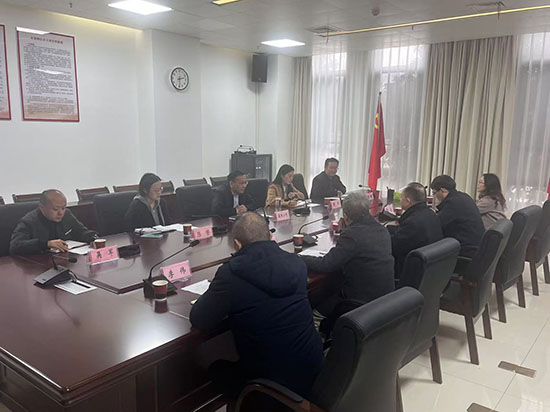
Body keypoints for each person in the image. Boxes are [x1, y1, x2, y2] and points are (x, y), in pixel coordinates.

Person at [190, 212, 323, 400]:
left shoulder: (231, 274)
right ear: (270, 236)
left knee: (215, 368)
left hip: (268, 381)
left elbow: (199, 318)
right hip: (313, 367)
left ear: (237, 244)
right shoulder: (296, 263)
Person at [300, 191, 394, 318]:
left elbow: (327, 264)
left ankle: (318, 328)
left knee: (315, 309)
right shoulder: (381, 229)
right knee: (325, 289)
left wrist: (300, 258)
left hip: (360, 302)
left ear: (345, 215)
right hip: (384, 298)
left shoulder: (352, 235)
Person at [10, 189, 97, 255]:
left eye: (63, 208)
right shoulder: (29, 221)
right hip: (39, 264)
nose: (61, 213)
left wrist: (93, 238)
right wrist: (47, 244)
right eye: (55, 209)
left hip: (65, 259)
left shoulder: (66, 214)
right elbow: (15, 246)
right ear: (42, 208)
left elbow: (81, 231)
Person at [390, 182, 443, 287]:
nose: (400, 201)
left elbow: (393, 247)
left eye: (401, 198)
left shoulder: (413, 223)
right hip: (430, 271)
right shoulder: (430, 214)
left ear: (408, 201)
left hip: (411, 275)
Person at [430, 175, 485, 258]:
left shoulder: (452, 203)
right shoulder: (463, 196)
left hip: (466, 252)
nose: (435, 196)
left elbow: (436, 225)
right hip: (477, 248)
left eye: (435, 193)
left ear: (443, 191)